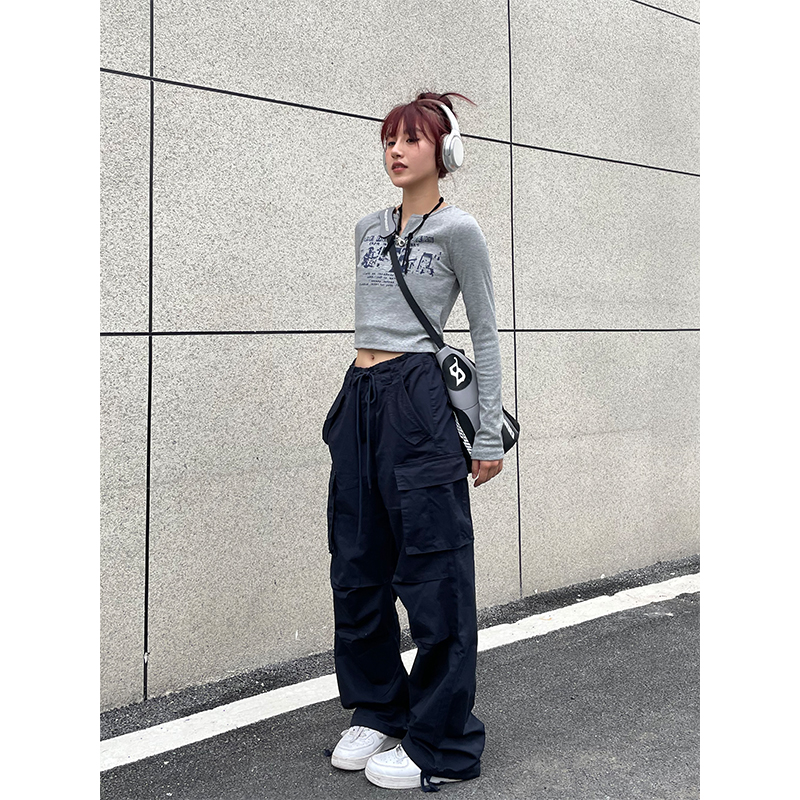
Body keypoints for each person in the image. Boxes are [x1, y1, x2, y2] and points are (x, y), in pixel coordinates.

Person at [322, 91, 505, 793]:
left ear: (444, 150)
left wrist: (486, 433)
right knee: (357, 563)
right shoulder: (367, 227)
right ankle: (379, 708)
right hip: (361, 397)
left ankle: (442, 742)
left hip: (418, 402)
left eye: (411, 139)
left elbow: (484, 333)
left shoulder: (460, 230)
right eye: (389, 140)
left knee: (434, 571)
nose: (395, 151)